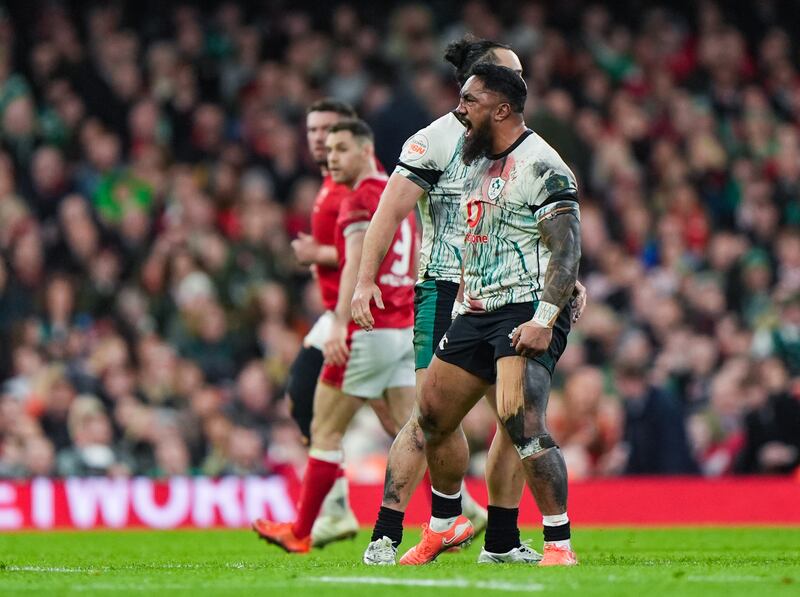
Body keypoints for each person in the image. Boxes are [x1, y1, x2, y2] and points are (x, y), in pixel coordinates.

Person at [352, 38, 586, 565]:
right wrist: (366, 280)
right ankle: (444, 521)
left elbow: (561, 241)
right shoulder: (450, 146)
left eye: (471, 100)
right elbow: (404, 217)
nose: (461, 108)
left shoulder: (533, 160)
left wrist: (555, 296)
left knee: (518, 421)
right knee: (431, 414)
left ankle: (531, 540)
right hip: (458, 298)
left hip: (519, 304)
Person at [252, 119, 417, 553]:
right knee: (415, 431)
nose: (331, 157)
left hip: (368, 328)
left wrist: (340, 323)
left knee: (323, 430)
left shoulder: (360, 198)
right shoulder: (398, 192)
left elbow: (354, 262)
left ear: (365, 150)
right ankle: (453, 514)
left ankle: (302, 531)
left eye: (341, 148)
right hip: (401, 327)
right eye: (328, 149)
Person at [283, 99, 361, 547]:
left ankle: (457, 506)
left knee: (401, 419)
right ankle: (335, 508)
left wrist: (318, 254)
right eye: (312, 130)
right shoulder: (330, 182)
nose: (319, 139)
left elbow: (374, 246)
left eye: (327, 130)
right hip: (337, 311)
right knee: (303, 398)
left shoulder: (356, 184)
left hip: (362, 312)